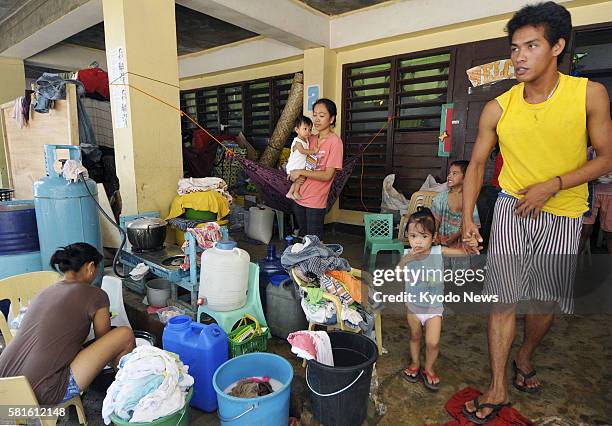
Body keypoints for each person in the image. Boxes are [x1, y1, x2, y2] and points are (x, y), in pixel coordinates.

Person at [461, 2, 612, 423]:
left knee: (542, 302)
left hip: (563, 212)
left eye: (531, 45)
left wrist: (554, 184)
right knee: (503, 300)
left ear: (557, 46)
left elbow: (607, 157)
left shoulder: (588, 95)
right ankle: (497, 386)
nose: (520, 56)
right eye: (515, 47)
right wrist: (468, 218)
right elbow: (475, 165)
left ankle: (524, 355)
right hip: (512, 208)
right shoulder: (500, 106)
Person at [0, 243, 135, 405]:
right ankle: (127, 396)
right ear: (90, 267)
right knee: (124, 335)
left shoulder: (44, 293)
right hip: (44, 393)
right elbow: (104, 339)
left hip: (6, 388)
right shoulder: (96, 295)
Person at [398, 207, 467, 391]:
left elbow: (462, 252)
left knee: (433, 342)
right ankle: (415, 364)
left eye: (423, 236)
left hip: (434, 308)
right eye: (413, 236)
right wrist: (406, 261)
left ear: (433, 236)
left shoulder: (439, 252)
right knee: (415, 336)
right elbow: (398, 273)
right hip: (413, 307)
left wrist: (471, 247)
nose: (418, 241)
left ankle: (429, 368)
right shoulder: (407, 256)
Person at [289, 98, 344, 238]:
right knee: (302, 237)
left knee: (313, 241)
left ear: (331, 119)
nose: (317, 119)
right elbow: (297, 158)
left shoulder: (335, 142)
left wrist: (300, 172)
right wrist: (292, 172)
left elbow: (327, 175)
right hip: (299, 195)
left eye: (322, 115)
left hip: (316, 200)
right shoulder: (310, 138)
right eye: (314, 115)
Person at [431, 160, 480, 248]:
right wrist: (435, 235)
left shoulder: (469, 200)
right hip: (441, 242)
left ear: (465, 177)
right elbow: (435, 221)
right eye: (449, 173)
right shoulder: (441, 198)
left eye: (454, 173)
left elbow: (473, 224)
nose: (449, 176)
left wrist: (455, 236)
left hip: (462, 245)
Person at [580, 146, 612, 253]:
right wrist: (591, 177)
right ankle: (571, 265)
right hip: (591, 193)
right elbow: (581, 172)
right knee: (583, 230)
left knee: (610, 233)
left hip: (610, 195)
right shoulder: (589, 152)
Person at [285, 115, 318, 200]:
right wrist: (313, 151)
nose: (308, 132)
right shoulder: (298, 142)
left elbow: (311, 136)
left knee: (300, 179)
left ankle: (290, 193)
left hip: (300, 165)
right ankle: (295, 192)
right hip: (295, 166)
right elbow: (302, 151)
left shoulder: (305, 139)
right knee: (300, 179)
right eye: (305, 129)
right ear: (297, 130)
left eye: (310, 129)